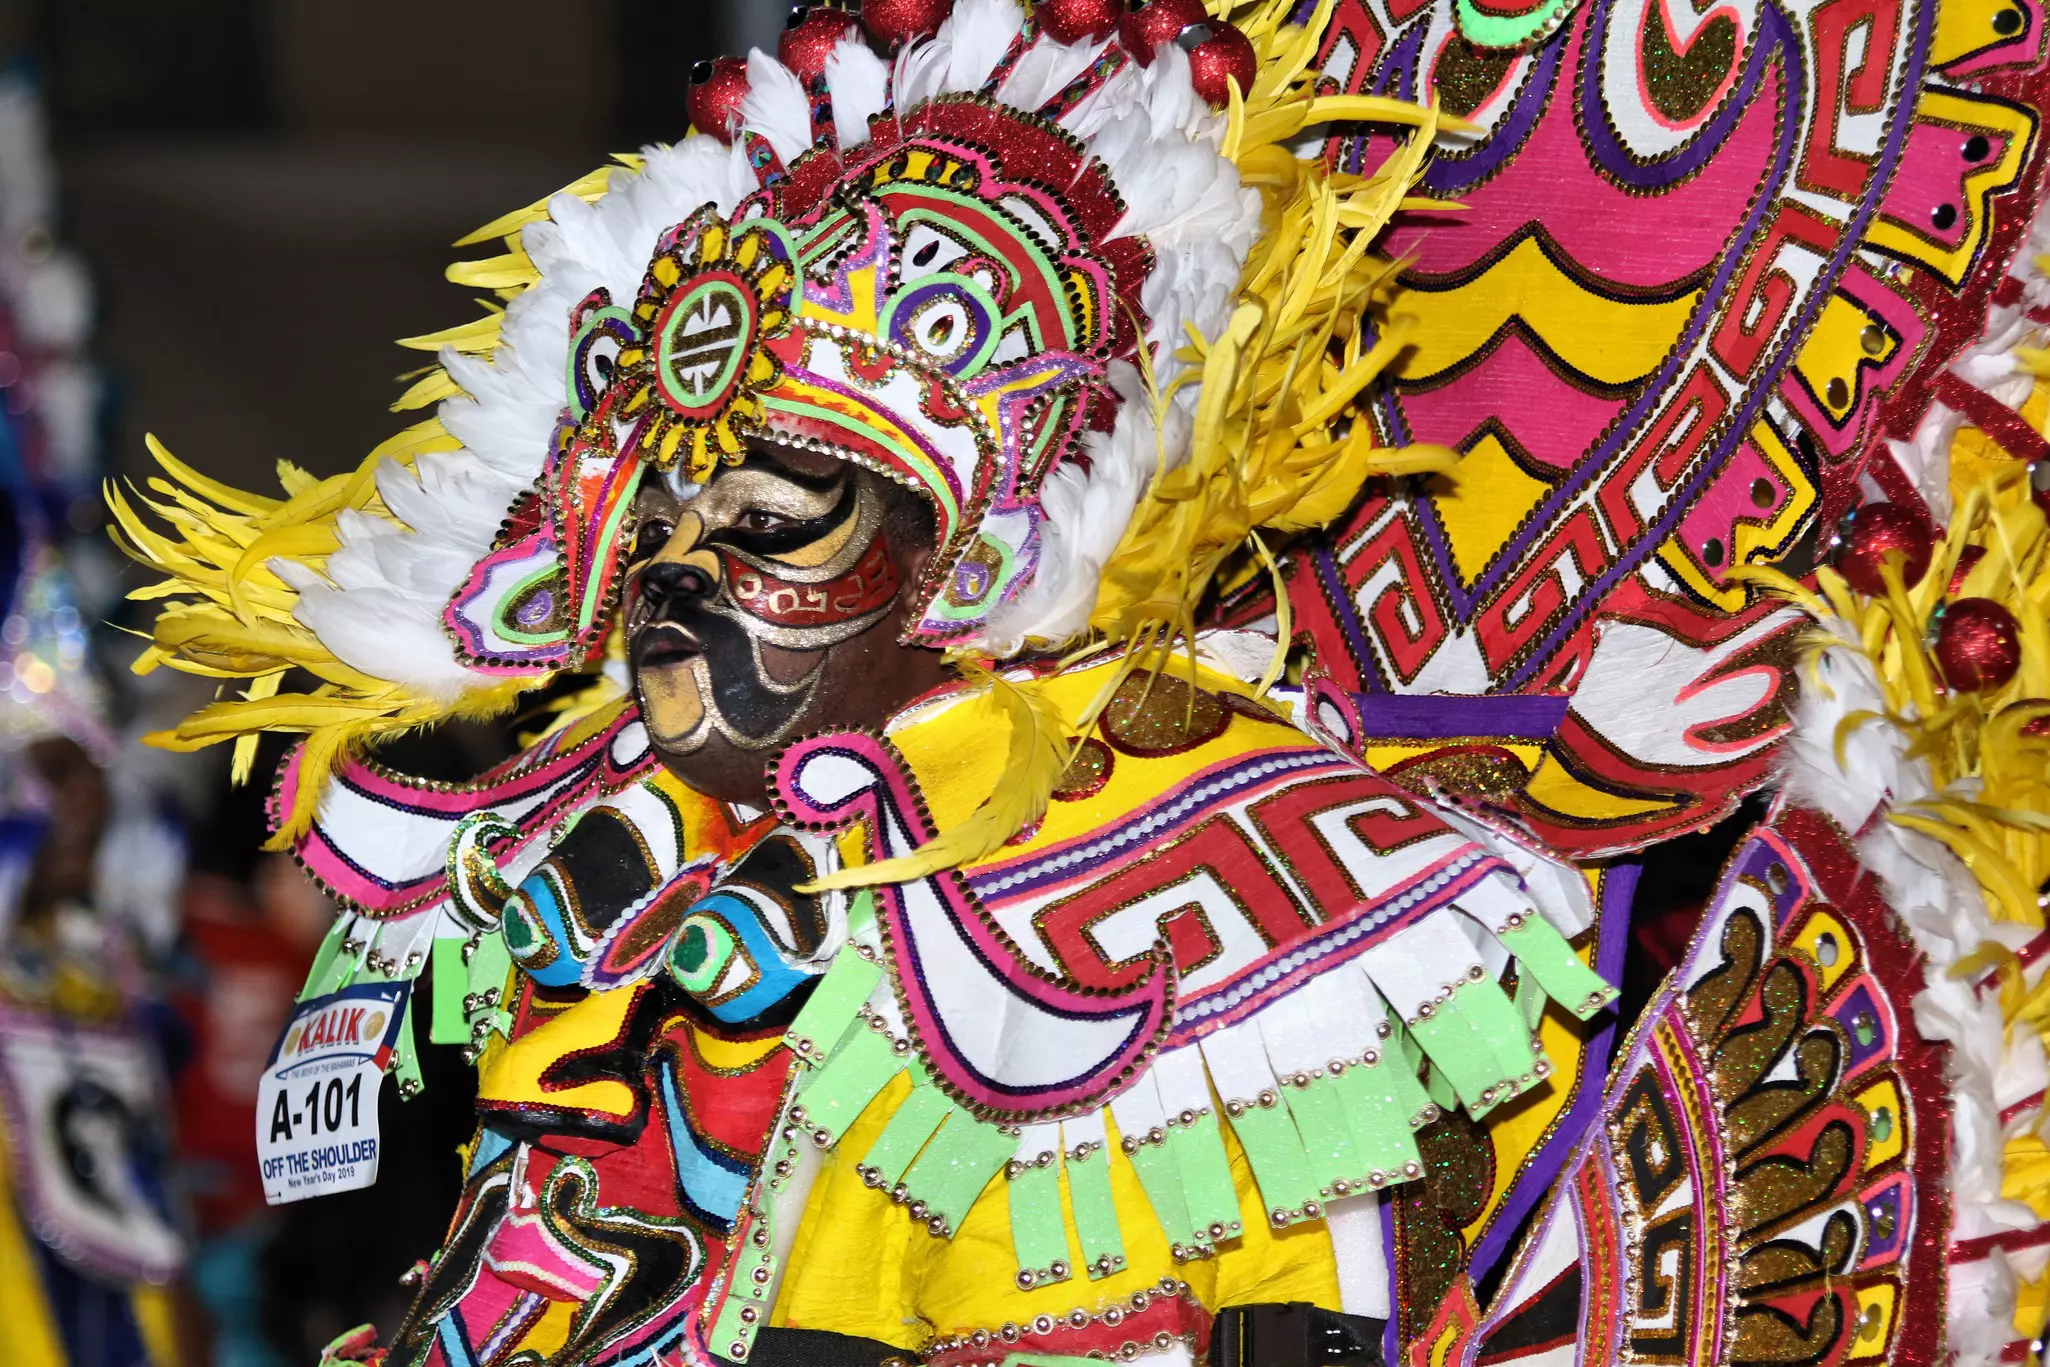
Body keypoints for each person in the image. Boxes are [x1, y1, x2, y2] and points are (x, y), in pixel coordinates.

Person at [112, 0, 2050, 1362]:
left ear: (969, 558)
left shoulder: (1197, 906)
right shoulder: (613, 849)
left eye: (780, 512)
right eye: (676, 514)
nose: (696, 572)